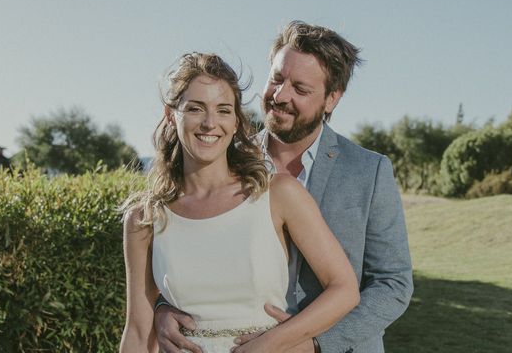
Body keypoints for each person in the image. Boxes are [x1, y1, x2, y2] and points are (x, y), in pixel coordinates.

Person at [155, 21, 413, 353]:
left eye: (301, 89)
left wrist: (311, 344)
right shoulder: (218, 159)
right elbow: (183, 251)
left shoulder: (369, 171)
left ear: (332, 98)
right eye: (277, 79)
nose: (281, 96)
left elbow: (393, 285)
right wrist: (162, 307)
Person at [120, 52, 360, 353]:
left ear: (236, 121)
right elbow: (139, 332)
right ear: (171, 115)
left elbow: (345, 289)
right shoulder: (143, 219)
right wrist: (160, 311)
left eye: (223, 110)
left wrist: (271, 343)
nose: (210, 123)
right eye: (195, 108)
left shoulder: (278, 195)